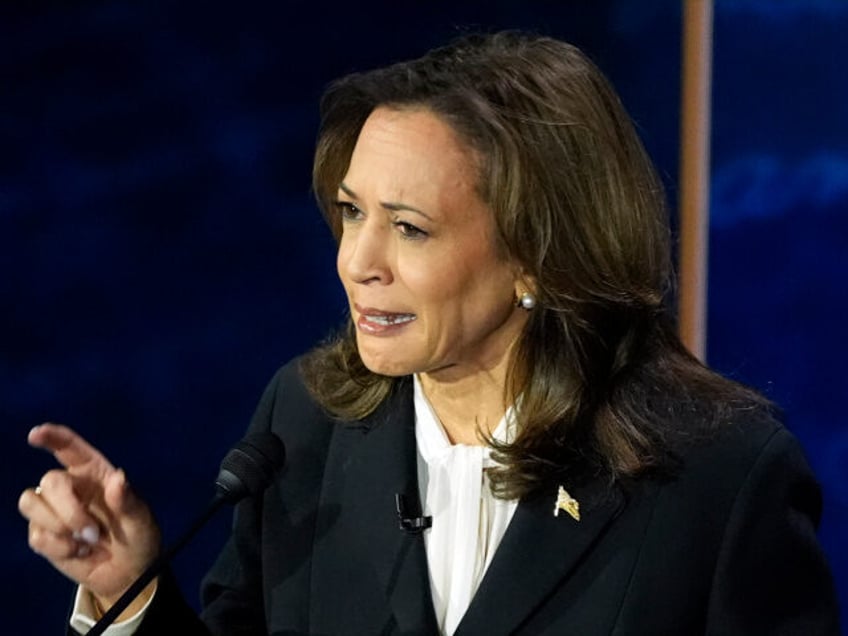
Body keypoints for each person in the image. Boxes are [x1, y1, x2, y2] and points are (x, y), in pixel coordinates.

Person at [18, 31, 839, 635]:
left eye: (409, 227)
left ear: (536, 256)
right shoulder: (305, 424)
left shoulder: (715, 475)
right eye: (351, 213)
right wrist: (131, 593)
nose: (357, 262)